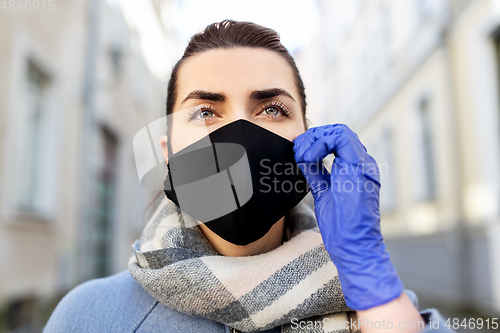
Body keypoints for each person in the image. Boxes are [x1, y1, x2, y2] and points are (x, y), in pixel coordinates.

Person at [44, 20, 455, 333]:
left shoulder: (379, 309)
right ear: (167, 154)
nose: (239, 137)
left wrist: (372, 281)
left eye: (272, 109)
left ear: (309, 140)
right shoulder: (89, 318)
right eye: (206, 111)